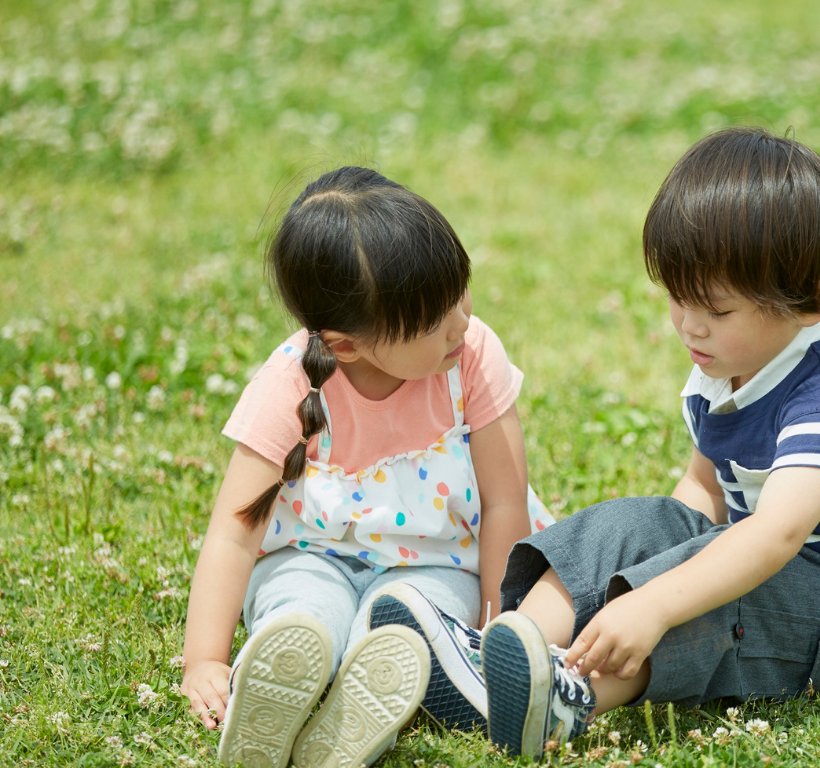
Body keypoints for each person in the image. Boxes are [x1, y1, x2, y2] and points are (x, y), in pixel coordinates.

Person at [477, 126, 820, 757]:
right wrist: (651, 558)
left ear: (813, 302)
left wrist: (654, 602)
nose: (690, 327)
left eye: (718, 311)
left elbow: (773, 537)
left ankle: (568, 699)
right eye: (678, 298)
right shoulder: (726, 366)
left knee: (706, 605)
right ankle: (507, 652)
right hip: (769, 568)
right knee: (635, 522)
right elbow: (702, 488)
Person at [178, 167, 554, 768]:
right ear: (346, 344)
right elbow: (234, 532)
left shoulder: (471, 355)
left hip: (436, 561)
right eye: (434, 320)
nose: (461, 321)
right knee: (303, 612)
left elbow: (504, 502)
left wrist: (491, 634)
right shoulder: (290, 383)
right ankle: (277, 679)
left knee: (405, 619)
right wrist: (204, 660)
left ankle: (360, 697)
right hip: (311, 554)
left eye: (460, 292)